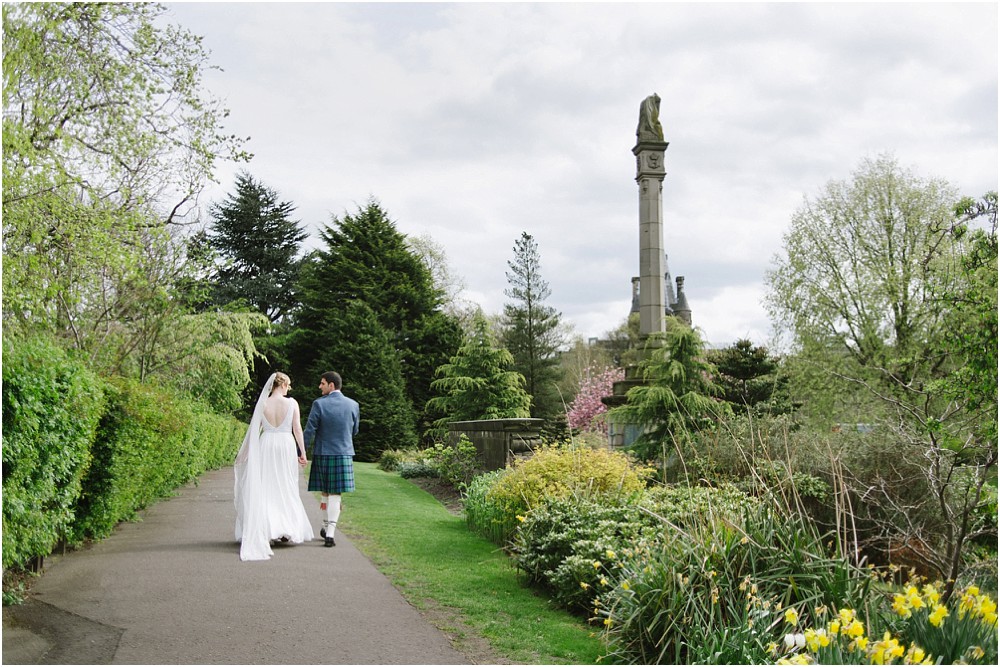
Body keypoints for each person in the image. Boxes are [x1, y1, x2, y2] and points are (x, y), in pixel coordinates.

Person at [234, 372, 314, 561]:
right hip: (285, 446)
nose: (289, 389)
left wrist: (243, 455)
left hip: (267, 444)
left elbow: (254, 430)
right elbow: (297, 429)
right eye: (289, 385)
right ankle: (285, 527)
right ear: (283, 384)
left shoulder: (263, 403)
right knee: (285, 485)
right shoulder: (292, 403)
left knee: (266, 485)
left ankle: (267, 527)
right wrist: (302, 452)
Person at [303, 371, 359, 547]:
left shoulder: (318, 404)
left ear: (331, 385)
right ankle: (328, 531)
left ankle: (328, 529)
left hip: (323, 452)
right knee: (335, 493)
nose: (320, 386)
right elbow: (354, 430)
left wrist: (301, 451)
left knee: (326, 491)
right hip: (343, 452)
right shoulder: (353, 405)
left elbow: (310, 430)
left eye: (322, 383)